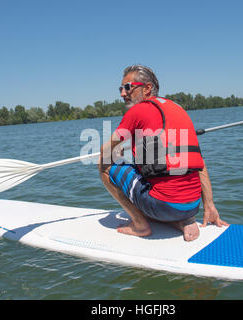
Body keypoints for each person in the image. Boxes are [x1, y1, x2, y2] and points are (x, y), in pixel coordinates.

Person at [98, 65, 228, 241]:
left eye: (127, 87)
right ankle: (181, 220)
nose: (122, 93)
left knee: (104, 165)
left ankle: (139, 225)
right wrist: (209, 206)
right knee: (161, 172)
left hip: (163, 206)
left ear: (147, 88)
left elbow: (105, 152)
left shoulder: (137, 110)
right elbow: (199, 164)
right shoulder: (177, 108)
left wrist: (116, 152)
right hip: (193, 206)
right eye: (121, 88)